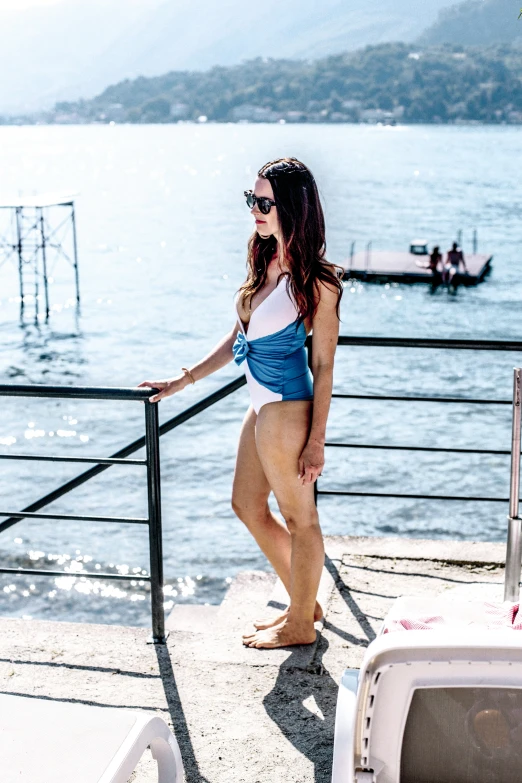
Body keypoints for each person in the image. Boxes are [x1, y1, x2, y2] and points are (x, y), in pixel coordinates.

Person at [138, 157, 343, 649]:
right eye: (252, 199)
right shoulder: (263, 258)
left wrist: (316, 442)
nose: (255, 209)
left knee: (301, 518)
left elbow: (326, 367)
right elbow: (240, 336)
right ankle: (303, 603)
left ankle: (299, 625)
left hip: (287, 411)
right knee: (246, 505)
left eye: (265, 202)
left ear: (292, 206)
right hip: (260, 406)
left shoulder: (318, 281)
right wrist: (183, 379)